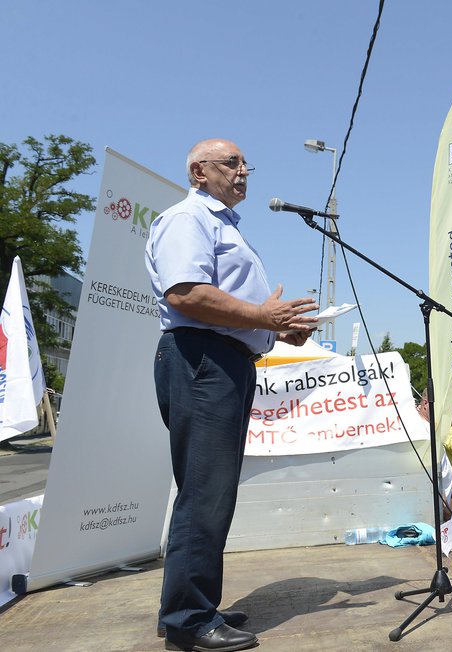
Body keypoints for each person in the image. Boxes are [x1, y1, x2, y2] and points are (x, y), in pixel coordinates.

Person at [146, 139, 319, 651]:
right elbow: (186, 293)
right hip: (203, 359)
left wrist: (274, 329)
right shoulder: (188, 218)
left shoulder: (222, 224)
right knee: (205, 490)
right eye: (232, 163)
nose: (244, 171)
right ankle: (188, 619)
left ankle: (191, 606)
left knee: (211, 490)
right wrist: (262, 316)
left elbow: (223, 307)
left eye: (247, 164)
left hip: (224, 359)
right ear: (199, 171)